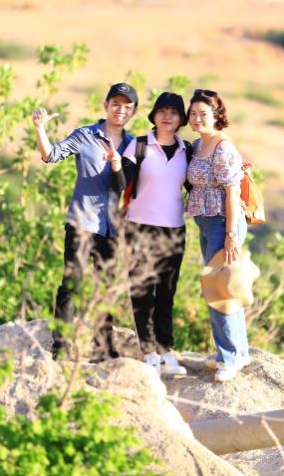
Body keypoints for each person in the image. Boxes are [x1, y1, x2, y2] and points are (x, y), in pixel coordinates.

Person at [32, 82, 138, 361]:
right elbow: (51, 155)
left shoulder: (133, 145)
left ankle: (103, 348)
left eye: (127, 107)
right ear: (106, 106)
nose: (120, 110)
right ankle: (61, 347)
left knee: (106, 288)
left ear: (134, 112)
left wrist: (117, 163)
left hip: (112, 227)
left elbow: (124, 185)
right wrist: (40, 129)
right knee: (72, 284)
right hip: (81, 221)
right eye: (115, 104)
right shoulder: (85, 135)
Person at [109, 92, 191, 377]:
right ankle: (149, 354)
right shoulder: (139, 145)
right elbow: (121, 183)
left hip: (174, 230)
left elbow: (198, 187)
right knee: (142, 292)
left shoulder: (188, 150)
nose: (167, 116)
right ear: (154, 115)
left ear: (181, 119)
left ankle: (167, 352)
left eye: (174, 112)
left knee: (167, 293)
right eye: (162, 110)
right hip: (139, 227)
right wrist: (116, 165)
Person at [185, 89, 251, 382]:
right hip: (207, 224)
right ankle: (239, 352)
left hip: (224, 224)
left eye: (203, 114)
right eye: (193, 114)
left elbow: (232, 192)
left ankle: (229, 358)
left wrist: (230, 235)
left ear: (216, 116)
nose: (197, 119)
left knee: (218, 290)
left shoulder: (222, 147)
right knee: (224, 287)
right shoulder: (199, 144)